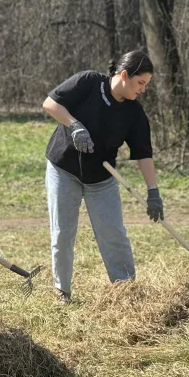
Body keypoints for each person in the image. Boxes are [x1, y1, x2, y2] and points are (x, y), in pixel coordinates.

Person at [42, 50, 164, 303]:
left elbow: (143, 154)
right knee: (63, 233)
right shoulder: (88, 82)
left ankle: (126, 291)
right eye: (140, 83)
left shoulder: (134, 113)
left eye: (146, 85)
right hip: (64, 169)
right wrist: (74, 125)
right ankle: (62, 291)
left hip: (102, 178)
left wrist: (153, 191)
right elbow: (50, 104)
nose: (143, 89)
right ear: (124, 76)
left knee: (113, 234)